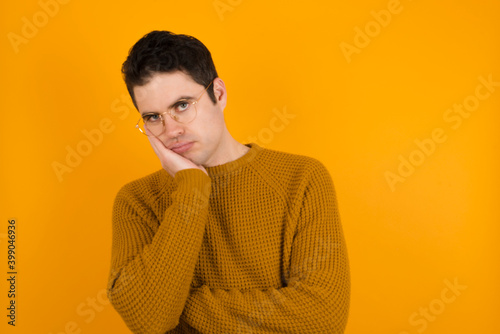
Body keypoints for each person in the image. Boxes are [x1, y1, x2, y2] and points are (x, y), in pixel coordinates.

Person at [106, 30, 350, 334]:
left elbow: (321, 320)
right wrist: (192, 186)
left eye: (182, 105)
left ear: (218, 94)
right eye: (153, 117)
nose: (171, 130)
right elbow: (147, 319)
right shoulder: (136, 201)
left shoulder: (301, 178)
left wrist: (177, 302)